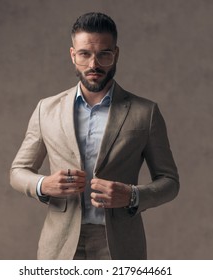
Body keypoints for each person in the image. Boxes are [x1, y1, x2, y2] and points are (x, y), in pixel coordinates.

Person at [10, 12, 179, 260]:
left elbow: (170, 181)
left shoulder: (146, 112)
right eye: (85, 54)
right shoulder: (46, 109)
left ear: (116, 54)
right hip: (59, 244)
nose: (93, 65)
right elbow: (18, 170)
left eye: (104, 54)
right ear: (72, 55)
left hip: (119, 245)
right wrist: (42, 185)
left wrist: (132, 195)